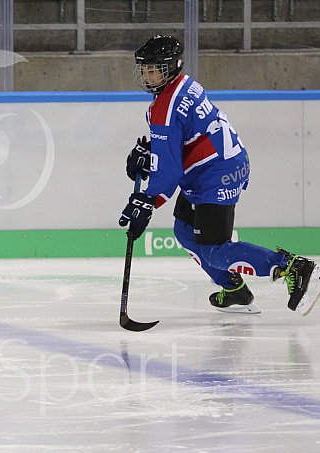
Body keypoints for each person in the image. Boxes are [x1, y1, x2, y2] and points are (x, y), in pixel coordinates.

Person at [119, 35, 320, 315]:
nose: (146, 75)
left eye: (154, 69)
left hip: (217, 174)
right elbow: (188, 134)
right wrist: (152, 150)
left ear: (171, 67)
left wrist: (148, 202)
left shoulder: (164, 107)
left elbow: (170, 169)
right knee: (186, 231)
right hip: (214, 167)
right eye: (144, 69)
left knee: (215, 249)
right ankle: (235, 290)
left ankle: (292, 267)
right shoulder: (185, 85)